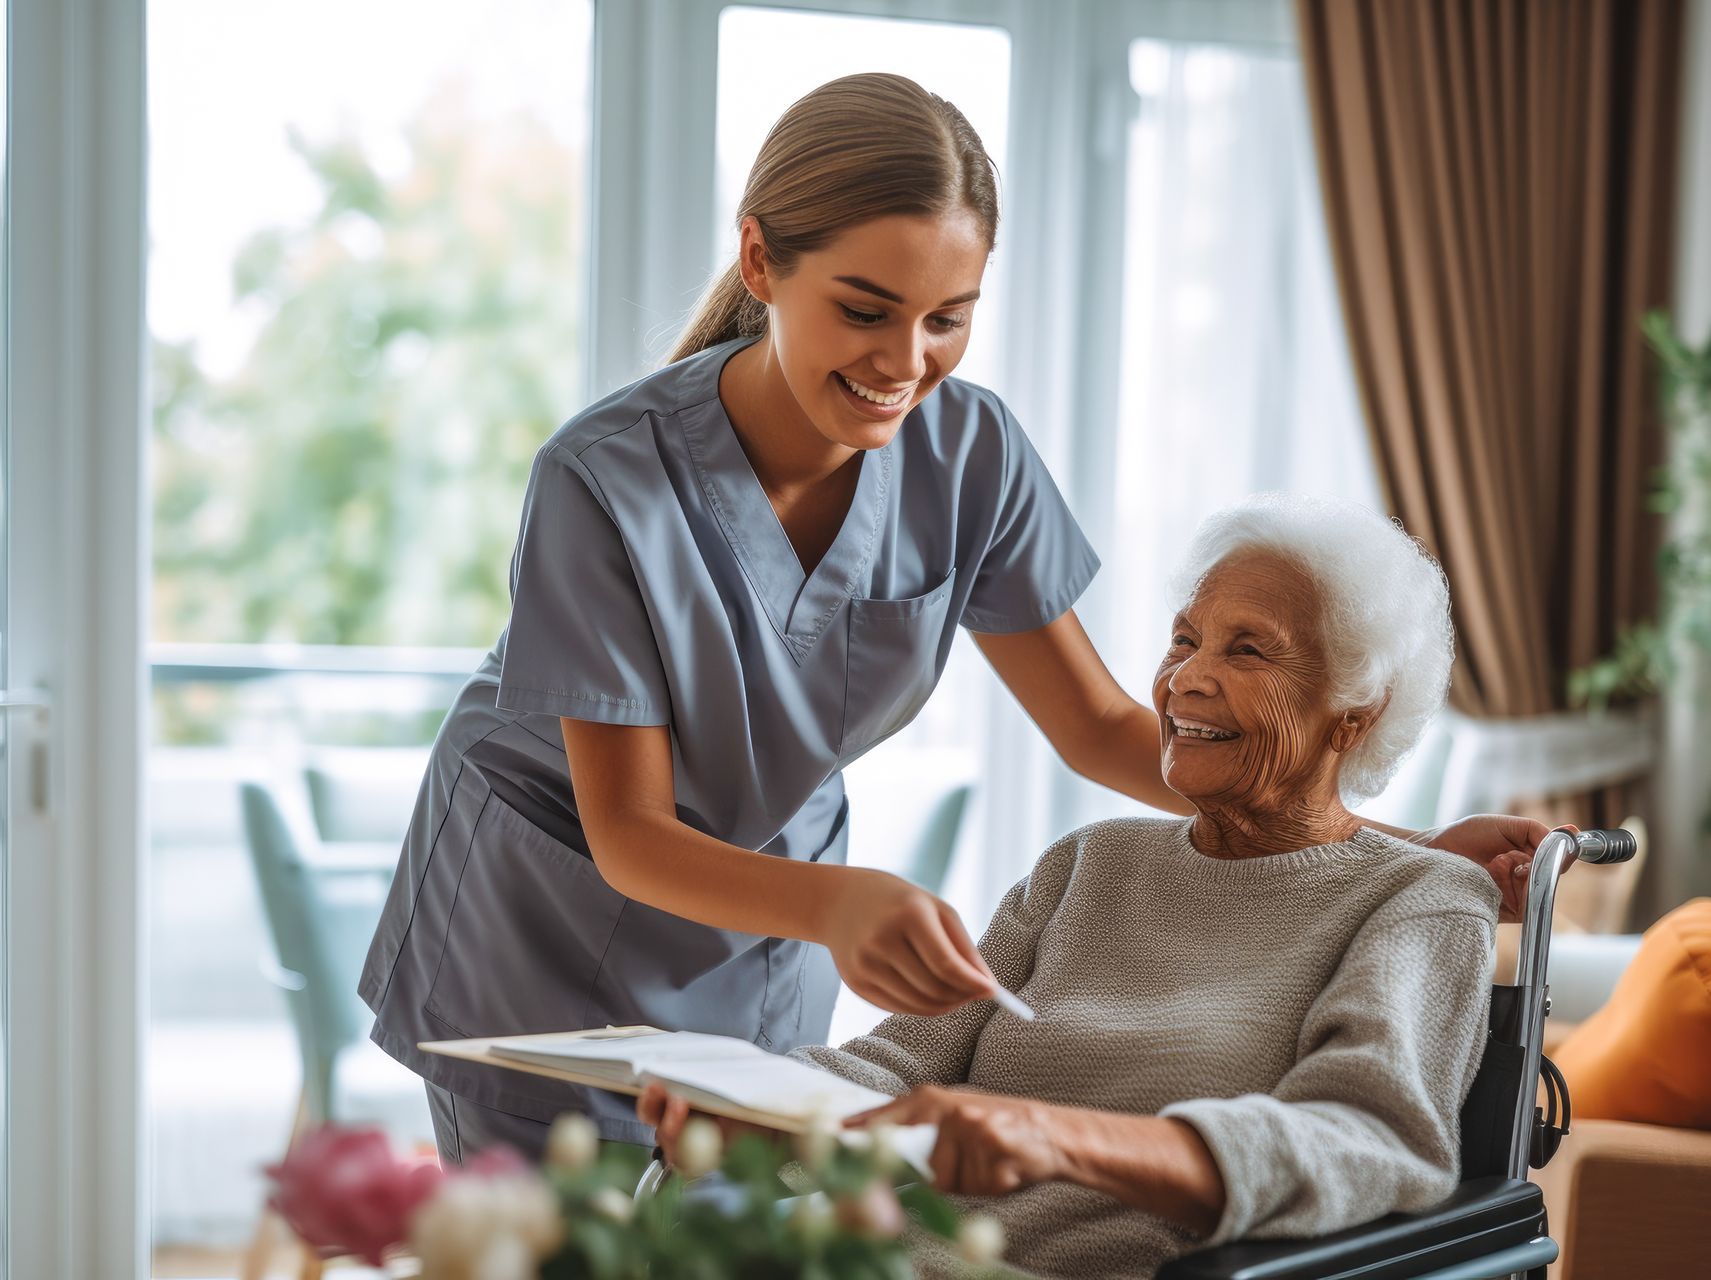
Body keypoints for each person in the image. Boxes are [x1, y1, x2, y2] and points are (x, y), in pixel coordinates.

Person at [358, 73, 1544, 1168]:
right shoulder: (603, 478)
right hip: (552, 914)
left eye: (947, 318)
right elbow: (627, 829)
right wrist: (839, 904)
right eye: (866, 310)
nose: (905, 362)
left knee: (744, 1224)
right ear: (762, 262)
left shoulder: (971, 454)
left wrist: (1376, 856)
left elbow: (1094, 724)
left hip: (763, 910)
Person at [646, 494, 1502, 1279]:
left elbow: (1367, 1140)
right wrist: (764, 1109)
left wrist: (1057, 1138)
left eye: (1248, 650)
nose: (1186, 680)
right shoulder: (1089, 864)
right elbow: (899, 1063)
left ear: (1357, 709)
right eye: (1183, 639)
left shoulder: (1420, 900)